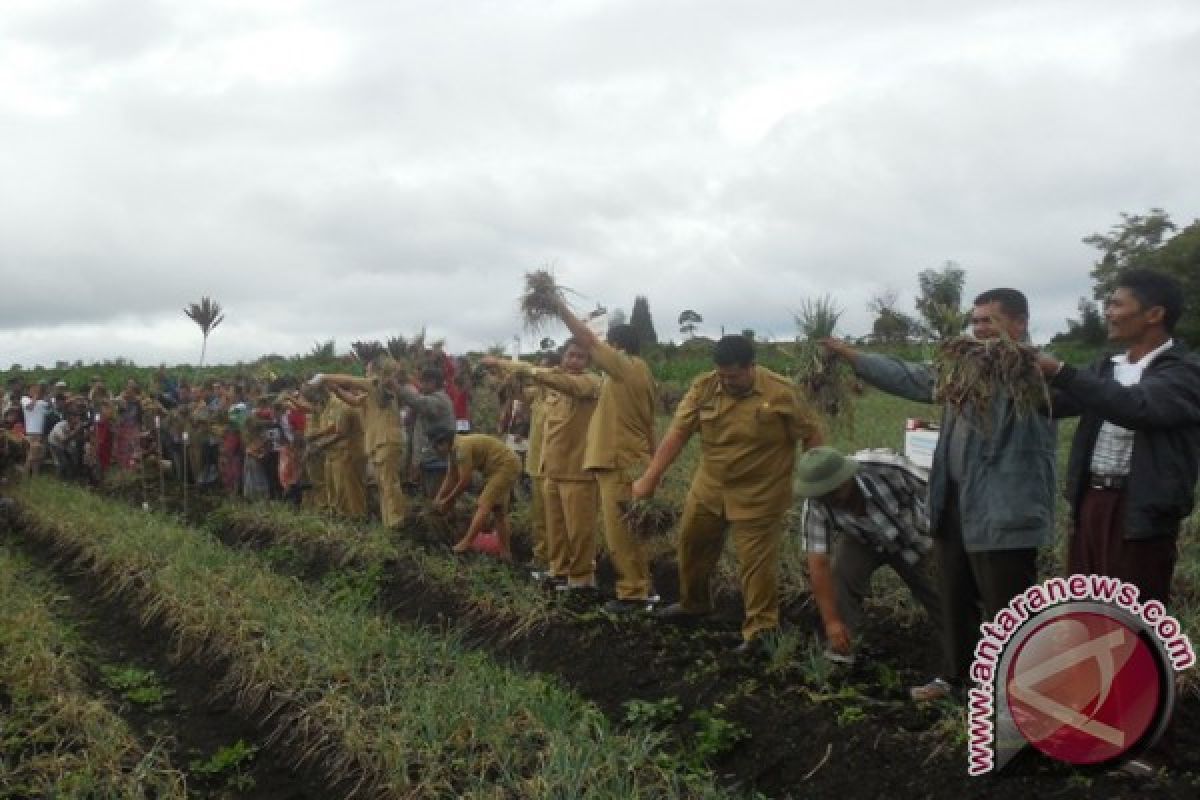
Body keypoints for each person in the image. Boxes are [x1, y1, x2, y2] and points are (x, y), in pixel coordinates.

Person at [822, 288, 1056, 701]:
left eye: (989, 320)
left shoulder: (1035, 377)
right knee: (955, 601)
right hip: (953, 509)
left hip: (1003, 515)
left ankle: (1012, 697)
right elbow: (911, 377)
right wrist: (850, 355)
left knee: (1009, 608)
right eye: (976, 320)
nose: (979, 328)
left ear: (1019, 324)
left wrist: (1035, 366)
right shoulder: (961, 374)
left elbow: (1072, 392)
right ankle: (955, 680)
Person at [635, 334, 823, 652]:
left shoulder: (782, 392)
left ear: (751, 367)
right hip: (710, 487)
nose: (726, 381)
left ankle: (761, 629)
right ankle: (694, 604)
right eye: (722, 375)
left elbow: (812, 433)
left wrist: (816, 480)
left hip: (760, 493)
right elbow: (678, 433)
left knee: (756, 564)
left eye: (733, 376)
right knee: (691, 546)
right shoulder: (704, 388)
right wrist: (649, 478)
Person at [1038, 269, 1200, 606]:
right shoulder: (1107, 367)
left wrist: (1062, 372)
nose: (1108, 313)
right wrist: (1008, 372)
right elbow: (1054, 404)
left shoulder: (1185, 371)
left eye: (1116, 304)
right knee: (1087, 607)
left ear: (1155, 314)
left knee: (1131, 615)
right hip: (1092, 501)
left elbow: (1136, 406)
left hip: (1141, 509)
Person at [550, 302, 659, 614]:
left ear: (617, 347)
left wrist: (559, 308)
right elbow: (650, 424)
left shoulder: (624, 366)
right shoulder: (639, 373)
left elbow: (587, 339)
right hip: (629, 459)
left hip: (620, 461)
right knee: (627, 530)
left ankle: (633, 594)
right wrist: (653, 465)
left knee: (620, 532)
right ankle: (638, 588)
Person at [795, 446, 942, 662]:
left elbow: (940, 495)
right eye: (823, 495)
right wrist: (832, 622)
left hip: (915, 538)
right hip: (864, 540)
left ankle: (962, 654)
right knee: (842, 573)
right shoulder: (817, 504)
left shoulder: (888, 468)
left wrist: (943, 547)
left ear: (847, 477)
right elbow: (818, 565)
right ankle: (841, 651)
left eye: (834, 491)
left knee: (942, 596)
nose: (830, 499)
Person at [485, 339, 602, 590]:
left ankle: (581, 579)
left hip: (578, 470)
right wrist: (502, 372)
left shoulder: (590, 383)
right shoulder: (550, 390)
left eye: (580, 357)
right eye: (570, 355)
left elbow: (555, 379)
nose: (574, 361)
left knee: (579, 529)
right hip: (551, 468)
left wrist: (520, 368)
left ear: (588, 362)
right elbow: (522, 391)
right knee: (554, 526)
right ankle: (558, 571)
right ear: (563, 357)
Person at [320, 357, 408, 528]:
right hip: (380, 442)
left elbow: (349, 380)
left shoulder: (376, 384)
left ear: (376, 371)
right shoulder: (374, 391)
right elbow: (354, 401)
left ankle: (395, 523)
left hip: (386, 441)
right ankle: (389, 523)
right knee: (384, 485)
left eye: (367, 370)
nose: (365, 373)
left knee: (389, 484)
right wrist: (337, 390)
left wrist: (323, 377)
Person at [432, 428, 522, 559]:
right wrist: (438, 498)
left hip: (505, 466)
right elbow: (451, 476)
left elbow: (464, 481)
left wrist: (447, 500)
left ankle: (466, 543)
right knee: (499, 511)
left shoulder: (461, 448)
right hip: (502, 467)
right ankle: (505, 553)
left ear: (445, 443)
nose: (437, 451)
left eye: (437, 447)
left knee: (483, 505)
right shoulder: (454, 450)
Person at [398, 366, 457, 498]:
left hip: (436, 459)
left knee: (436, 495)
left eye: (424, 382)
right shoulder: (434, 397)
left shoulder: (439, 400)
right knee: (431, 494)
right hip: (431, 458)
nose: (421, 386)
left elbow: (419, 402)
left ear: (433, 382)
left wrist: (398, 388)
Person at [21, 382, 52, 478]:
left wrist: (47, 395)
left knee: (37, 457)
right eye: (33, 389)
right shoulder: (24, 399)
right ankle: (25, 477)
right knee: (31, 456)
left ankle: (35, 477)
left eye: (37, 389)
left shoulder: (42, 402)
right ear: (28, 390)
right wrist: (35, 396)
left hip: (40, 433)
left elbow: (50, 408)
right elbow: (30, 407)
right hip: (31, 433)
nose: (35, 390)